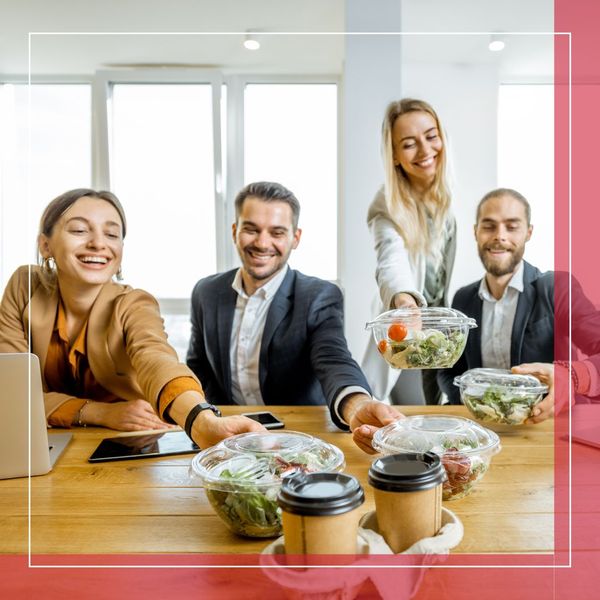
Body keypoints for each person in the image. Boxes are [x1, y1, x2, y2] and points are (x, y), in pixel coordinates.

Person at [0, 188, 264, 448]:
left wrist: (201, 421)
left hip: (127, 446)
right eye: (80, 230)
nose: (98, 243)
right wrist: (102, 413)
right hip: (43, 444)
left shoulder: (133, 303)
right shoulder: (25, 287)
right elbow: (11, 394)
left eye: (112, 234)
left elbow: (158, 361)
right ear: (45, 245)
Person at [186, 181, 400, 453]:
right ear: (234, 231)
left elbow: (333, 359)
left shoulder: (319, 295)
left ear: (295, 238)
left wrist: (356, 404)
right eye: (251, 229)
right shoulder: (206, 292)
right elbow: (198, 369)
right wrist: (204, 418)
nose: (262, 243)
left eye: (277, 232)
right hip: (227, 441)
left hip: (299, 441)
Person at [438, 188, 600, 412]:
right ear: (475, 232)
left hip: (550, 427)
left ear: (528, 233)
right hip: (484, 426)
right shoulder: (463, 298)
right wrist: (472, 401)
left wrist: (571, 376)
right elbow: (449, 371)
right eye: (488, 226)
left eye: (512, 227)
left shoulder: (558, 288)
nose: (499, 236)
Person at [361, 98, 456, 405]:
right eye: (409, 144)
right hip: (412, 332)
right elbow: (390, 258)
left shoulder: (456, 193)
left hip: (452, 334)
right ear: (395, 156)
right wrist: (404, 301)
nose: (426, 150)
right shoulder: (386, 203)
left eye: (431, 136)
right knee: (416, 415)